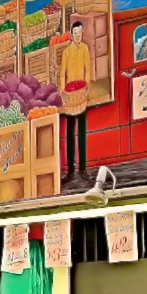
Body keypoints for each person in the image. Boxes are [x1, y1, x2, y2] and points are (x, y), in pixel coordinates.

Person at [57, 20, 92, 183]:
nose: (78, 36)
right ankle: (70, 171)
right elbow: (62, 73)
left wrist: (86, 87)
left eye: (80, 33)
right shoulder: (66, 52)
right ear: (71, 35)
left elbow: (87, 69)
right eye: (75, 34)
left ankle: (83, 169)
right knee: (70, 134)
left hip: (81, 95)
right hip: (70, 97)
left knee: (82, 133)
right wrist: (64, 91)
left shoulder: (85, 48)